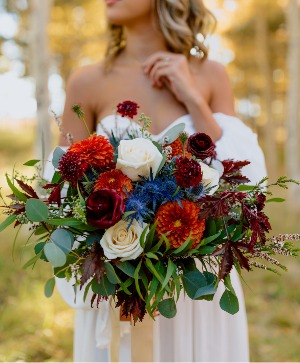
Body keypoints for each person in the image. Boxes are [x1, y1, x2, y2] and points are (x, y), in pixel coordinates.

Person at [51, 0, 267, 361]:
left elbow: (244, 180)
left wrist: (191, 97)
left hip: (200, 290)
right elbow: (59, 187)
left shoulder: (210, 74)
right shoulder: (87, 81)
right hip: (120, 288)